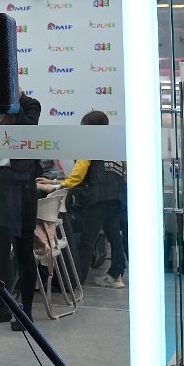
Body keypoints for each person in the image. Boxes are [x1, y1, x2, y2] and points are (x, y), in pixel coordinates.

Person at [44, 111, 127, 288]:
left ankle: (76, 280)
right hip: (117, 196)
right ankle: (116, 275)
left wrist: (61, 185)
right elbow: (124, 172)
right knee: (114, 236)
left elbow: (79, 173)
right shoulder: (114, 145)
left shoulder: (90, 142)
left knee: (87, 240)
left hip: (98, 197)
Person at [0, 90, 41, 331]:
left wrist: (14, 101)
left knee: (23, 251)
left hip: (21, 187)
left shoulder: (30, 105)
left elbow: (29, 130)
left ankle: (26, 311)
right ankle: (1, 306)